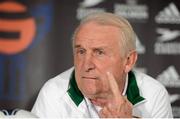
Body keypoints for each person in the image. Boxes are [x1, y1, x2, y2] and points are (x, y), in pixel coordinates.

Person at [31, 12, 173, 118]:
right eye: (81, 51)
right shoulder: (53, 93)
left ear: (128, 61)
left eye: (99, 52)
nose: (86, 65)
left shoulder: (154, 94)